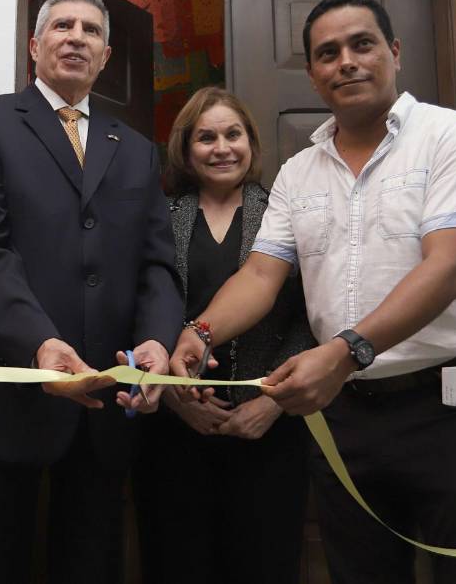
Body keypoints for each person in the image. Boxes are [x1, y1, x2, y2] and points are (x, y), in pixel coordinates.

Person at [173, 0, 456, 583]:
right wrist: (199, 331)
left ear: (395, 51)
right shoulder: (298, 172)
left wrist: (344, 352)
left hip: (454, 408)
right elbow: (260, 274)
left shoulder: (454, 139)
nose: (347, 62)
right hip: (345, 419)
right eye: (327, 53)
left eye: (362, 44)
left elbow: (446, 269)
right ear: (311, 73)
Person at [0, 0, 182, 583]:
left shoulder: (136, 149)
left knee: (92, 559)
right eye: (63, 26)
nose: (76, 37)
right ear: (35, 44)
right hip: (11, 388)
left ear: (104, 57)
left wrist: (158, 340)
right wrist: (38, 344)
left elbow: (157, 263)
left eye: (91, 31)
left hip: (108, 397)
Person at [133, 87, 313, 584]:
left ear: (251, 143)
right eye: (206, 137)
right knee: (175, 561)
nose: (221, 148)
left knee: (263, 562)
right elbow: (141, 305)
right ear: (186, 150)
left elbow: (312, 316)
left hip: (268, 429)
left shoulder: (284, 212)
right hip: (175, 431)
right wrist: (175, 399)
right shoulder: (161, 218)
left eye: (232, 134)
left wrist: (275, 402)